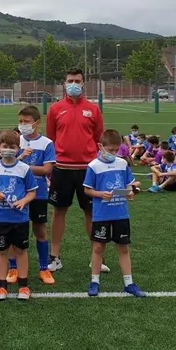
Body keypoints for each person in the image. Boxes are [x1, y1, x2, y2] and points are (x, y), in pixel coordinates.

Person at [45, 67, 104, 273]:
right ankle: (54, 257)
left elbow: (99, 139)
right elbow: (51, 138)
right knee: (59, 211)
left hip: (87, 169)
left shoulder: (94, 109)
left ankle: (96, 257)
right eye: (70, 80)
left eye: (77, 81)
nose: (73, 84)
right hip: (62, 168)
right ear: (64, 83)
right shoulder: (55, 109)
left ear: (83, 83)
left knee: (90, 211)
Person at [82, 129, 146, 297]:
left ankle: (129, 283)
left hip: (121, 214)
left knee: (123, 248)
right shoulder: (93, 166)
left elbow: (128, 185)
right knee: (98, 247)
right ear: (100, 147)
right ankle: (94, 281)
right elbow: (87, 190)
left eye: (116, 150)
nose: (113, 153)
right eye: (110, 150)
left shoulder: (122, 164)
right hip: (102, 214)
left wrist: (130, 191)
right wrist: (100, 194)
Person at [0, 130, 38, 301]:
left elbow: (32, 192)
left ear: (18, 149)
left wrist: (24, 201)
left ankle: (23, 286)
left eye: (12, 147)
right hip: (0, 218)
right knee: (1, 251)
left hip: (19, 218)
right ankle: (1, 286)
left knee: (21, 251)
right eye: (5, 146)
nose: (8, 150)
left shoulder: (24, 168)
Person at [14, 105, 57, 285]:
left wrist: (22, 166)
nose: (23, 125)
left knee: (40, 230)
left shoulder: (46, 143)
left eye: (26, 121)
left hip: (38, 193)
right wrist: (20, 158)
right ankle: (13, 267)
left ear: (37, 123)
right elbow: (6, 164)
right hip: (16, 193)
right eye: (20, 121)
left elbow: (47, 169)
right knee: (14, 231)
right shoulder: (15, 140)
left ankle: (43, 268)